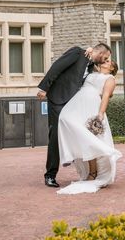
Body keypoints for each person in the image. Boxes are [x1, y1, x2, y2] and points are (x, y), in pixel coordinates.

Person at [37, 43, 111, 188]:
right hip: (58, 99)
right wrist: (44, 88)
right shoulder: (77, 53)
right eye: (106, 57)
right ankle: (50, 175)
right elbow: (56, 67)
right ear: (101, 52)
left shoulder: (91, 67)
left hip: (74, 104)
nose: (105, 60)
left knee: (80, 132)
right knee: (55, 135)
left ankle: (75, 161)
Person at [55, 58, 122, 194]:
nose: (105, 62)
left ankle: (93, 172)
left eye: (109, 62)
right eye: (105, 60)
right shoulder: (91, 73)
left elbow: (105, 97)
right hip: (78, 103)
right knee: (64, 118)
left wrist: (101, 114)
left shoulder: (110, 79)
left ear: (112, 69)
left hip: (92, 106)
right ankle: (72, 154)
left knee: (90, 139)